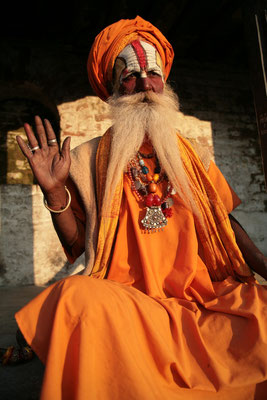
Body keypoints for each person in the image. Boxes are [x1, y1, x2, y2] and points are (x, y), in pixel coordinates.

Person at [10, 15, 267, 399]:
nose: (144, 84)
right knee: (74, 299)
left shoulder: (194, 155)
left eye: (153, 73)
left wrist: (265, 269)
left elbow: (224, 223)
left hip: (202, 297)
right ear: (113, 90)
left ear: (165, 82)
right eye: (129, 75)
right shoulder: (86, 158)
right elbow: (80, 244)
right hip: (128, 303)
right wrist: (54, 193)